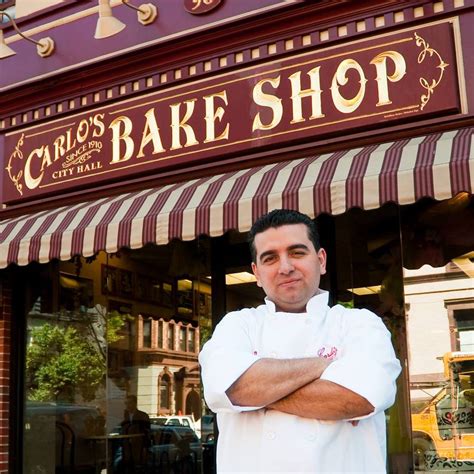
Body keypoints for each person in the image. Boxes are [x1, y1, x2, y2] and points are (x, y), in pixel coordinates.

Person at [199, 209, 402, 473]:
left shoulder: (360, 324)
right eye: (270, 258)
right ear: (256, 273)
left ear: (321, 260)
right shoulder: (237, 325)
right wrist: (323, 365)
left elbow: (359, 398)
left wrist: (256, 393)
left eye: (297, 252)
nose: (285, 267)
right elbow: (228, 388)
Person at [114, 395, 151, 473]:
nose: (127, 405)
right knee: (127, 466)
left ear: (135, 403)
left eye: (130, 403)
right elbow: (121, 429)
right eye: (126, 403)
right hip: (126, 446)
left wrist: (145, 447)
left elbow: (147, 432)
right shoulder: (123, 416)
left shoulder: (143, 416)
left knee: (138, 467)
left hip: (138, 446)